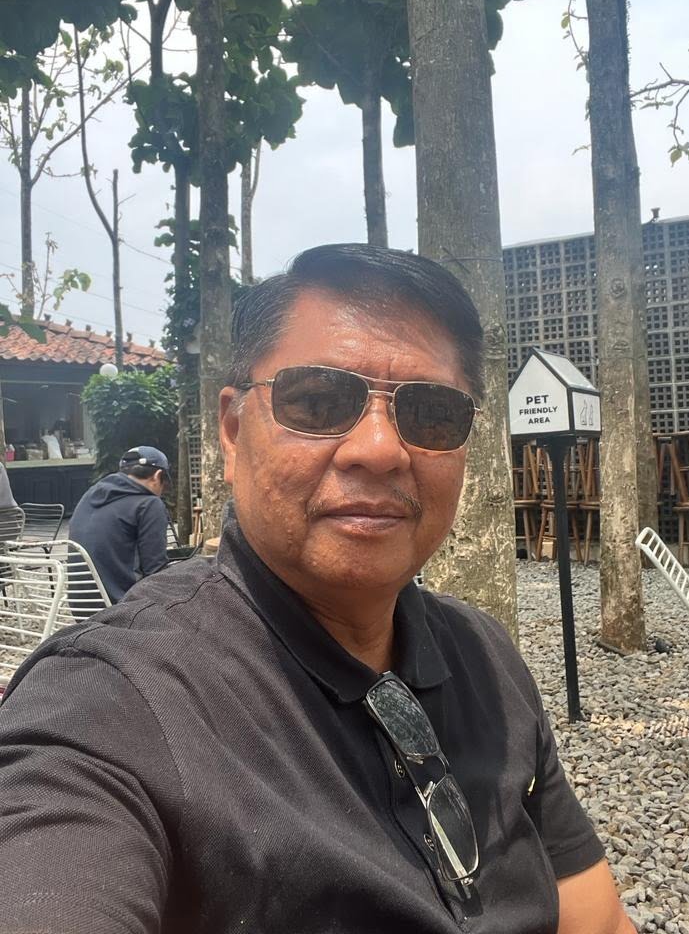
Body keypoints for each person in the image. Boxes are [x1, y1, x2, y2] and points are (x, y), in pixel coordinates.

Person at [0, 245, 636, 934]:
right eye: (318, 402)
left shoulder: (485, 657)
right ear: (233, 431)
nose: (379, 450)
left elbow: (597, 920)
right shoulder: (112, 705)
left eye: (431, 413)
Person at [68, 445, 171, 603]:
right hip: (122, 609)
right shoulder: (149, 504)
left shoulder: (89, 495)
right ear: (157, 476)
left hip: (80, 607)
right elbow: (155, 572)